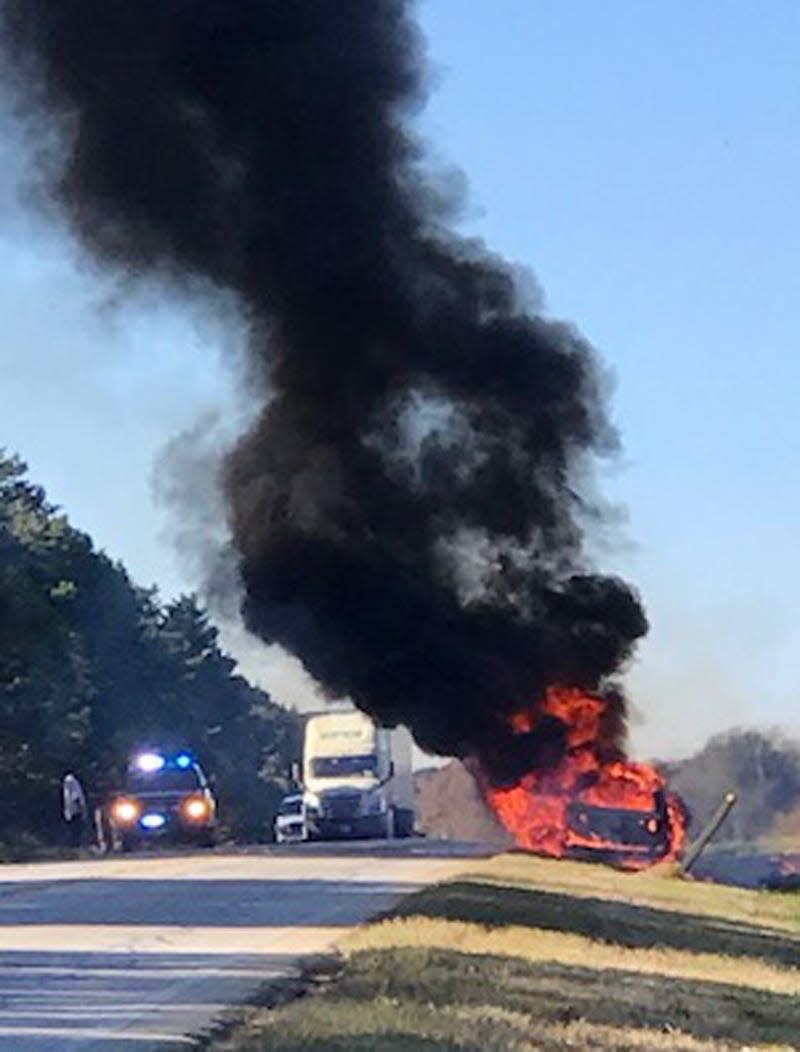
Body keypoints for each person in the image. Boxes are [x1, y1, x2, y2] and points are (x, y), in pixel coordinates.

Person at [62, 772, 87, 848]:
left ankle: (75, 845)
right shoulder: (72, 783)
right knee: (75, 829)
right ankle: (74, 844)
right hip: (73, 811)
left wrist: (82, 809)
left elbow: (76, 798)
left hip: (75, 811)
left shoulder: (71, 783)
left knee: (75, 829)